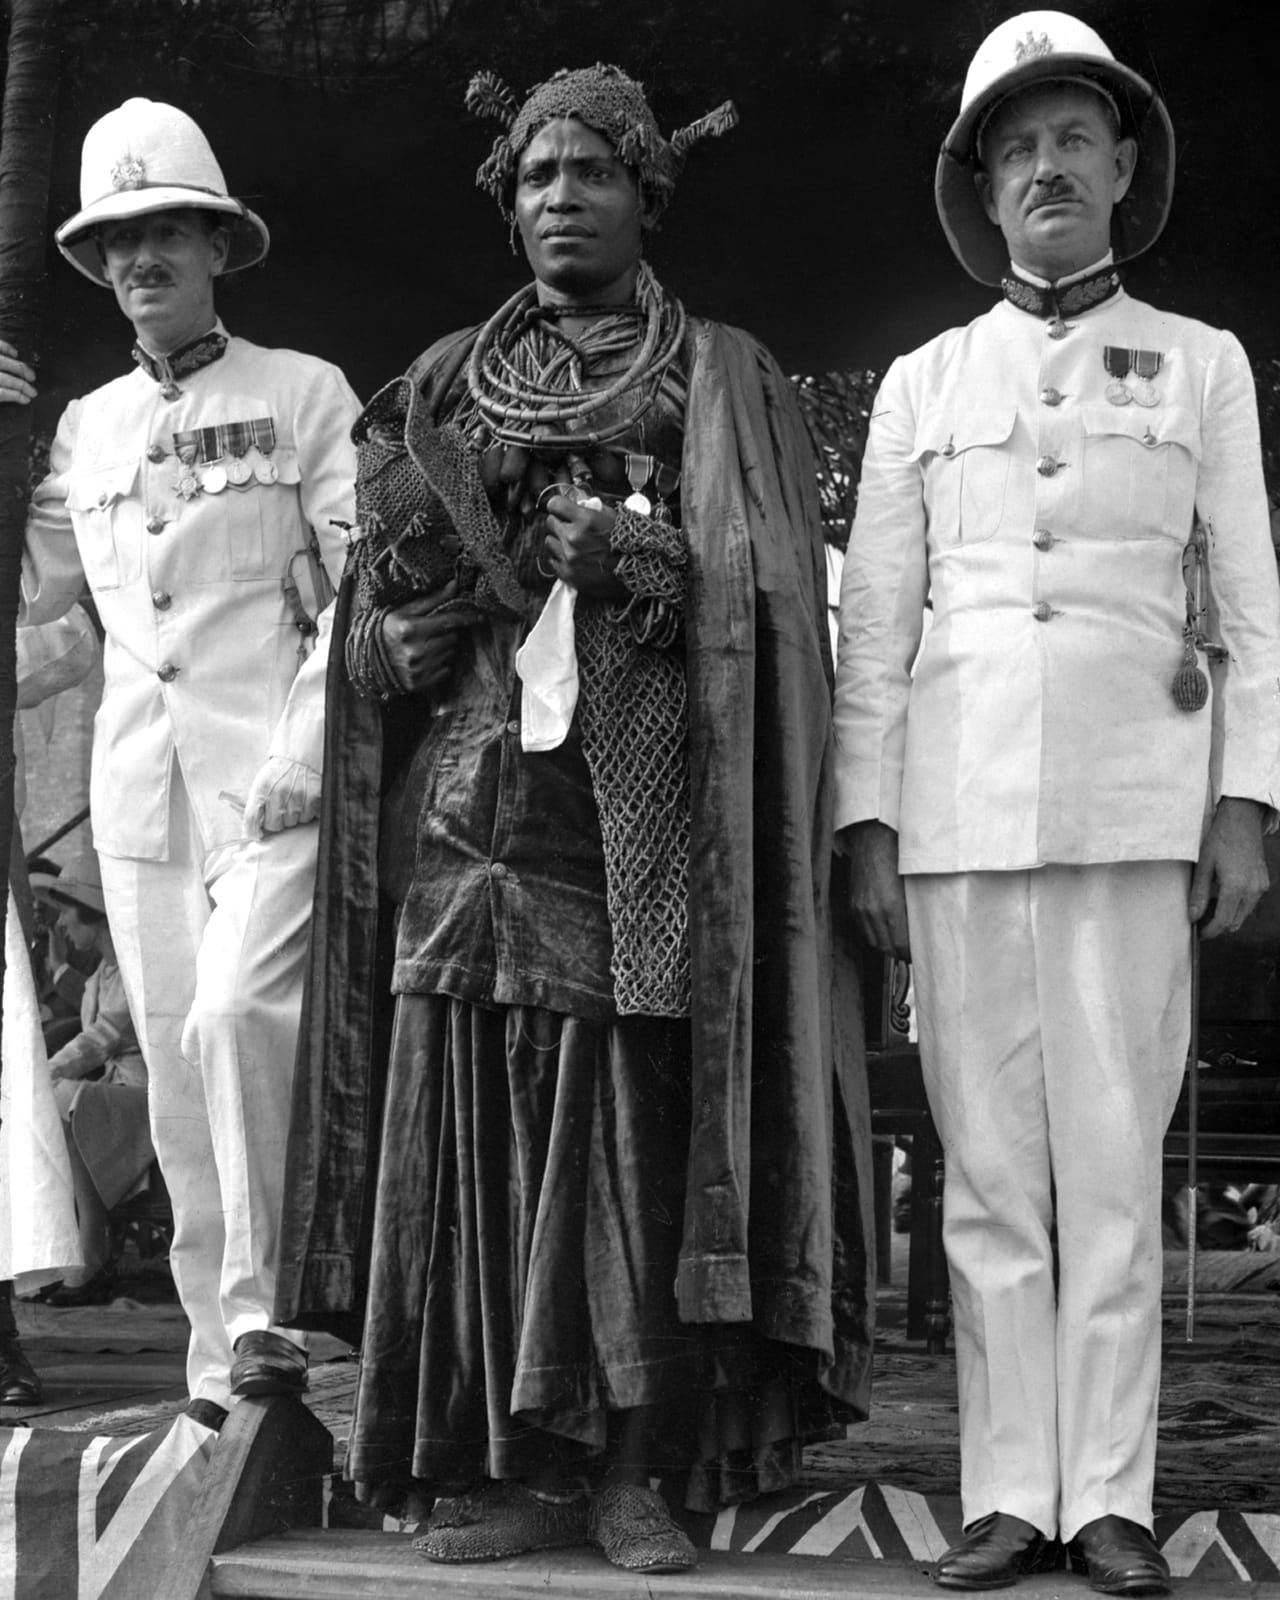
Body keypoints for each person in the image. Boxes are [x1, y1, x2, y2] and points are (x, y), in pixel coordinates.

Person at [276, 63, 873, 1576]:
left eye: (590, 174)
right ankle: (507, 1463)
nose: (559, 199)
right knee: (468, 1137)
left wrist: (640, 562)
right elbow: (362, 626)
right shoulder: (431, 387)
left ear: (645, 194)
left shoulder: (719, 379)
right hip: (465, 821)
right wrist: (379, 653)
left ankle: (629, 1467)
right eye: (536, 176)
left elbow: (777, 608)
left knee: (618, 1138)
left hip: (634, 816)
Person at [834, 12, 1280, 1595]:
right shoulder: (920, 380)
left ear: (1122, 165)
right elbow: (878, 615)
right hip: (957, 813)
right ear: (984, 183)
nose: (1047, 169)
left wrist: (1244, 801)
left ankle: (1112, 1500)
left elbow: (1248, 593)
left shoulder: (1205, 362)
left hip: (1132, 801)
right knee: (987, 1177)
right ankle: (1006, 1492)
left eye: (1073, 140)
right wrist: (866, 822)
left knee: (1111, 1162)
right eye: (1016, 148)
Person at [0, 98, 358, 1427]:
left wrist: (309, 754)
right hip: (140, 795)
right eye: (118, 239)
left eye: (167, 231)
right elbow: (33, 609)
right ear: (99, 268)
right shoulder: (82, 429)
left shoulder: (303, 391)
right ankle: (217, 1369)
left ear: (216, 242)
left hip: (270, 779)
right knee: (171, 1079)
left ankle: (270, 1319)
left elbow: (360, 593)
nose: (143, 256)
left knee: (234, 1025)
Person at [35, 851, 153, 1307]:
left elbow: (102, 1038)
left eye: (67, 912)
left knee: (64, 1096)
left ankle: (94, 1251)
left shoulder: (130, 971)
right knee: (55, 1102)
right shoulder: (98, 976)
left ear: (95, 914)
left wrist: (45, 1071)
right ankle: (68, 1253)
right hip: (112, 1094)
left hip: (141, 1098)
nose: (62, 924)